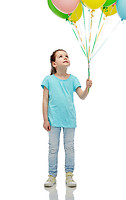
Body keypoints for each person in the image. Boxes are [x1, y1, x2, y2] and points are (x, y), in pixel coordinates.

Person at [41, 49, 92, 188]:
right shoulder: (49, 80)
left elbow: (82, 96)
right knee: (53, 148)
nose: (65, 58)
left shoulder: (73, 79)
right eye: (60, 56)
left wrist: (87, 88)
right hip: (53, 120)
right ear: (54, 63)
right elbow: (45, 100)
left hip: (69, 120)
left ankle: (69, 175)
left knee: (69, 147)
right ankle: (52, 175)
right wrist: (45, 119)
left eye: (67, 56)